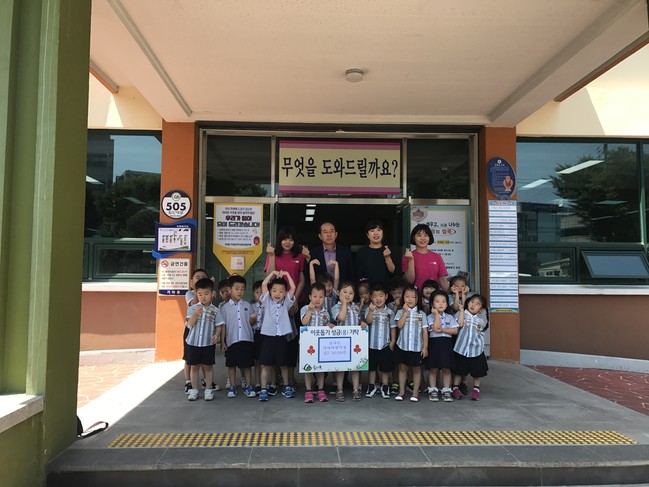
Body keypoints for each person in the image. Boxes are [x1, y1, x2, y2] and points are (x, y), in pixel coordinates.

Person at [265, 226, 307, 390]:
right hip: (275, 305)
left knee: (292, 341)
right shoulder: (273, 255)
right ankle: (275, 378)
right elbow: (269, 277)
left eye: (290, 239)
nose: (287, 242)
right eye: (284, 239)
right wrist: (271, 256)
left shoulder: (299, 256)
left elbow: (301, 280)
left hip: (294, 303)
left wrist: (294, 299)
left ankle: (290, 377)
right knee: (275, 340)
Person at [258, 270, 296, 401]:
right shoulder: (267, 301)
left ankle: (286, 386)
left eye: (281, 291)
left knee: (283, 364)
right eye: (274, 290)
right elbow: (264, 284)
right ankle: (264, 389)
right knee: (266, 365)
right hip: (268, 337)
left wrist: (287, 275)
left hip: (282, 337)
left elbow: (293, 287)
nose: (277, 293)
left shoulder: (286, 303)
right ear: (270, 292)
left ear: (285, 293)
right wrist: (272, 273)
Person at [185, 278, 224, 401]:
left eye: (206, 294)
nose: (203, 297)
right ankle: (194, 389)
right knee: (194, 367)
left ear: (212, 294)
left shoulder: (215, 310)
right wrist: (196, 314)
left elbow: (219, 325)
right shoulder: (192, 308)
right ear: (196, 294)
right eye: (200, 294)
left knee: (208, 367)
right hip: (193, 342)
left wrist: (217, 335)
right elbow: (189, 324)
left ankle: (208, 389)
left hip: (208, 343)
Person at [220, 275, 257, 398]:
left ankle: (248, 385)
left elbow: (251, 323)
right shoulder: (224, 308)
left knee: (247, 365)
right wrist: (222, 341)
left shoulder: (247, 305)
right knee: (231, 365)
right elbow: (223, 325)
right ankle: (233, 386)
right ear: (229, 290)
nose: (240, 291)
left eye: (242, 289)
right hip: (231, 340)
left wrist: (253, 319)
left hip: (246, 339)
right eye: (237, 289)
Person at [393, 285, 428, 402]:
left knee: (416, 370)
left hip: (417, 347)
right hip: (402, 346)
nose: (410, 299)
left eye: (413, 297)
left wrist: (425, 347)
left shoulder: (422, 314)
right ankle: (401, 391)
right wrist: (404, 312)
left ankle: (415, 393)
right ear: (403, 298)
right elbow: (399, 325)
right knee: (402, 368)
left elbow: (424, 332)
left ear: (417, 299)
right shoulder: (400, 312)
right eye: (407, 296)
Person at [361, 283, 396, 399]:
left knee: (385, 368)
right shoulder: (369, 309)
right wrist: (371, 311)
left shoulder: (390, 312)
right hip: (372, 344)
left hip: (385, 344)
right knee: (372, 367)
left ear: (386, 296)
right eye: (375, 296)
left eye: (381, 296)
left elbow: (392, 327)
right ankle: (372, 385)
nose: (378, 299)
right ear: (371, 297)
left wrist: (392, 341)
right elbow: (368, 321)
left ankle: (385, 386)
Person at [452, 294, 489, 401]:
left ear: (480, 309)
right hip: (461, 348)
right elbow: (459, 324)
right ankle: (455, 388)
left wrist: (481, 347)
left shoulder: (480, 321)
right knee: (459, 370)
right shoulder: (461, 313)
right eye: (472, 302)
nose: (473, 305)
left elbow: (481, 334)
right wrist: (461, 311)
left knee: (477, 372)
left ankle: (476, 389)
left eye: (477, 304)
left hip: (475, 350)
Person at [300, 282, 333, 403]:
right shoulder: (305, 308)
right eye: (315, 296)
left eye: (320, 297)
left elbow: (326, 325)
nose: (317, 299)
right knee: (307, 367)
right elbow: (304, 322)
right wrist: (310, 309)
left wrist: (329, 325)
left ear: (324, 298)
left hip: (321, 345)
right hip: (307, 344)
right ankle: (308, 391)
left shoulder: (325, 312)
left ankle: (320, 389)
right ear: (310, 297)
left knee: (320, 367)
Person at [331, 281, 363, 402]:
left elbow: (358, 320)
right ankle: (339, 389)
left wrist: (362, 323)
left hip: (354, 341)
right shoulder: (336, 307)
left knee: (355, 366)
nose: (347, 295)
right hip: (341, 342)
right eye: (345, 292)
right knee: (341, 366)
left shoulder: (355, 307)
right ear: (338, 292)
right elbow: (341, 317)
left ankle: (355, 389)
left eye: (351, 293)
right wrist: (344, 303)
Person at [426, 290, 459, 402]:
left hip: (446, 344)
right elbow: (436, 328)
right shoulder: (430, 317)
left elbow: (455, 331)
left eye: (443, 301)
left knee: (446, 368)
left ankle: (446, 390)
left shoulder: (450, 317)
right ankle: (433, 390)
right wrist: (436, 315)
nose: (440, 304)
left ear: (447, 304)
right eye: (437, 301)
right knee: (433, 368)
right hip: (434, 344)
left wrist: (443, 330)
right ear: (432, 304)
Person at [402, 223, 449, 292]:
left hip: (434, 296)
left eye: (426, 235)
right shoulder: (407, 256)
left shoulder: (437, 257)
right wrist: (411, 260)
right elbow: (409, 281)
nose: (423, 238)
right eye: (419, 235)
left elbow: (442, 279)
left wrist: (451, 294)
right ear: (414, 238)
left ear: (429, 238)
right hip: (415, 296)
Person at [355, 220, 395, 285]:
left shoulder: (390, 250)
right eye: (372, 230)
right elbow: (359, 274)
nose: (376, 233)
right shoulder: (361, 252)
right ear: (367, 235)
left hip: (386, 289)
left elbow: (393, 271)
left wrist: (387, 257)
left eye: (379, 230)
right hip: (368, 289)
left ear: (383, 233)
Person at [251, 280, 264, 394]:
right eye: (257, 292)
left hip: (267, 334)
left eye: (262, 292)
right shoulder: (251, 307)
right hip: (257, 334)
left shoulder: (269, 306)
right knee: (257, 361)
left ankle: (268, 383)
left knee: (267, 361)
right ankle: (258, 383)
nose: (260, 294)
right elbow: (249, 323)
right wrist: (252, 319)